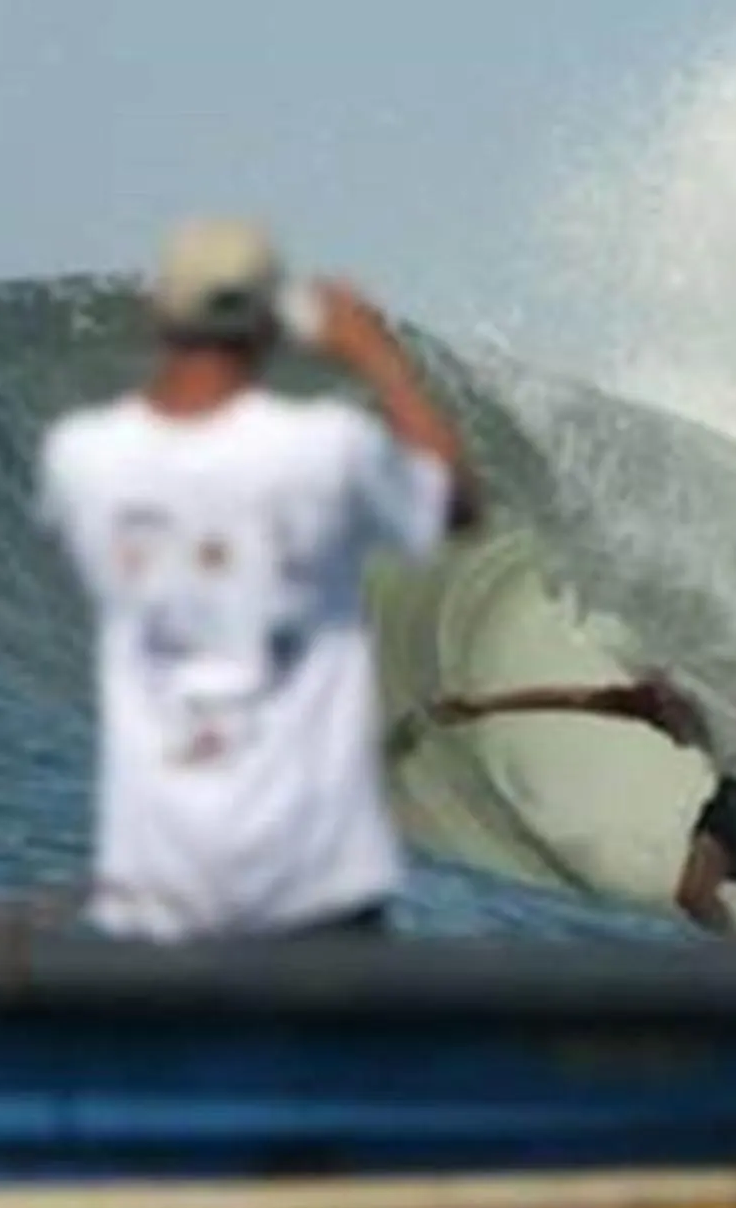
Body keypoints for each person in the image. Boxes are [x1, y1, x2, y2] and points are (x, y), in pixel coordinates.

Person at [38, 218, 480, 940]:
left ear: (157, 314)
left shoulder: (82, 460)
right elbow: (454, 502)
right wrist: (376, 355)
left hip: (162, 875)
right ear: (270, 326)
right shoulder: (328, 451)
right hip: (314, 874)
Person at [407, 672, 736, 944]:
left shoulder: (730, 704)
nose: (668, 724)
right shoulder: (655, 701)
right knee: (694, 894)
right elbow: (576, 699)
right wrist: (482, 705)